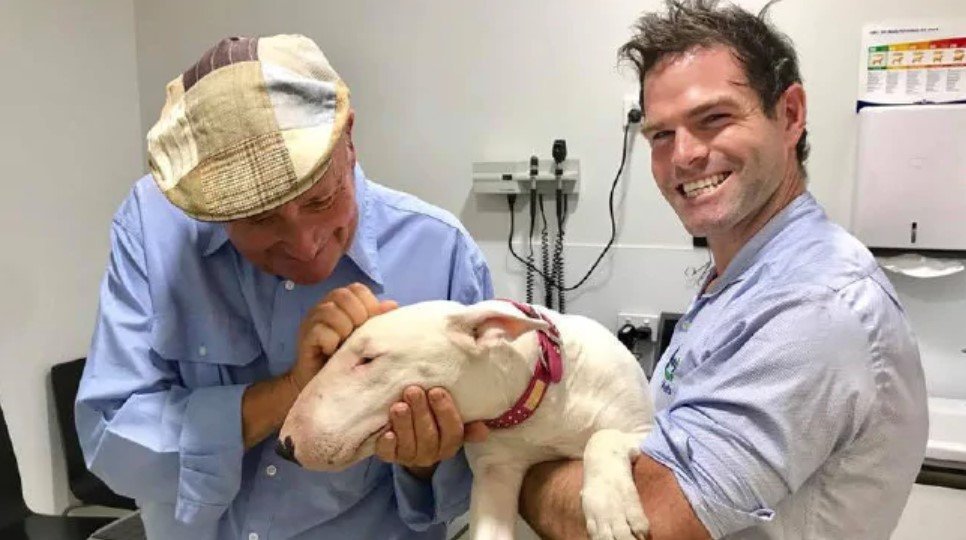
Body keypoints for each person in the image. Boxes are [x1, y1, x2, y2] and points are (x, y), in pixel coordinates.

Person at [518, 2, 928, 539]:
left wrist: (507, 465)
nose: (683, 155)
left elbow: (654, 523)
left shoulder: (812, 307)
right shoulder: (743, 279)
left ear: (790, 115)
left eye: (714, 119)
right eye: (661, 135)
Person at [76, 34, 492, 539]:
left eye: (321, 200)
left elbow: (480, 477)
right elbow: (112, 443)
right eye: (260, 219)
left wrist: (424, 462)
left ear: (350, 139)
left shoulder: (440, 254)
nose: (304, 245)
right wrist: (290, 392)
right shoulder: (154, 228)